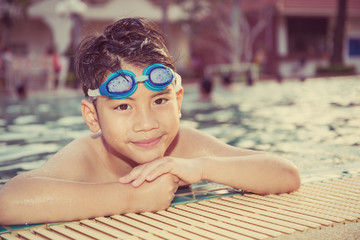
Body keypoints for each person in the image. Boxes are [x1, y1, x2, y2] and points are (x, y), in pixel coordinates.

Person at [0, 17, 300, 225]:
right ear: (93, 117)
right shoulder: (88, 158)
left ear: (178, 101)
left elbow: (285, 174)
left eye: (159, 101)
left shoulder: (184, 146)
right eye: (122, 107)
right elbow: (8, 202)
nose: (146, 124)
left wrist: (200, 167)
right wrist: (129, 197)